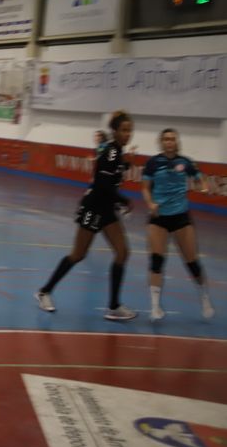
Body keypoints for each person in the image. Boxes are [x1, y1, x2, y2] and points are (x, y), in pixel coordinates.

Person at [35, 110, 137, 321]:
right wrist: (124, 200)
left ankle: (114, 306)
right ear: (115, 131)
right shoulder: (111, 151)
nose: (128, 134)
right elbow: (102, 184)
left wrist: (127, 163)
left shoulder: (117, 153)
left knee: (122, 252)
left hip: (107, 210)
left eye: (130, 130)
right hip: (93, 208)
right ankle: (44, 292)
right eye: (124, 130)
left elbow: (112, 172)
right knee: (78, 254)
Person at [142, 128, 215, 321]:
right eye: (166, 139)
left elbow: (199, 178)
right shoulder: (152, 163)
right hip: (159, 217)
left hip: (181, 217)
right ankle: (155, 307)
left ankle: (204, 298)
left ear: (177, 142)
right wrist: (150, 204)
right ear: (161, 142)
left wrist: (203, 186)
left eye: (172, 139)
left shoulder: (186, 162)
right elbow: (145, 188)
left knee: (192, 262)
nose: (169, 142)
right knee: (156, 262)